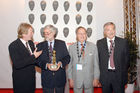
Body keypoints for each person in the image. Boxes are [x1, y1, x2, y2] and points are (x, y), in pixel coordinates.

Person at [8, 23, 42, 93]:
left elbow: (34, 61)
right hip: (21, 81)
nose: (33, 33)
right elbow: (17, 64)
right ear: (23, 33)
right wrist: (34, 56)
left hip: (31, 80)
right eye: (31, 32)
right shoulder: (13, 46)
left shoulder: (31, 43)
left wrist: (45, 65)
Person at [97, 22, 129, 93]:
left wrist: (123, 76)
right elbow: (98, 61)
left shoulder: (123, 42)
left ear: (115, 30)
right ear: (104, 32)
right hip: (105, 76)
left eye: (113, 29)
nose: (111, 32)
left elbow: (127, 61)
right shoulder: (99, 43)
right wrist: (99, 77)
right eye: (108, 30)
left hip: (119, 76)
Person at [36, 25, 70, 93]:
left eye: (48, 33)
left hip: (60, 78)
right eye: (45, 33)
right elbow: (36, 61)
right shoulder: (40, 45)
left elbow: (67, 57)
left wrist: (61, 64)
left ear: (53, 33)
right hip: (47, 78)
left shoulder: (61, 43)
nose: (46, 35)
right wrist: (46, 65)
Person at [68, 26, 100, 93]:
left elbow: (96, 64)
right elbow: (69, 65)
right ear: (76, 35)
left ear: (86, 35)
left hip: (89, 79)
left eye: (84, 33)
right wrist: (70, 79)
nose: (82, 35)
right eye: (80, 33)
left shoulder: (93, 47)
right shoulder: (71, 47)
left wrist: (96, 78)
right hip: (76, 79)